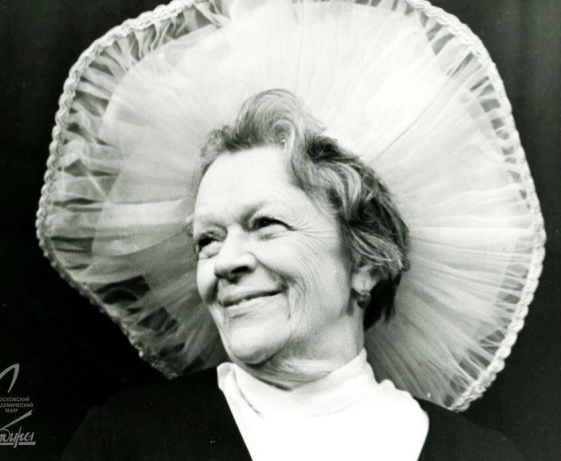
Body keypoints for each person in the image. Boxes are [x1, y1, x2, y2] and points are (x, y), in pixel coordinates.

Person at [37, 1, 545, 459]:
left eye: (265, 225)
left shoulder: (480, 456)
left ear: (365, 261)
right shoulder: (127, 442)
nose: (225, 262)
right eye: (208, 240)